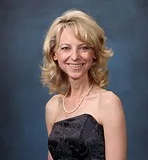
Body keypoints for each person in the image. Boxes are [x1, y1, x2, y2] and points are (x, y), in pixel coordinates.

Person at [41, 9, 127, 160]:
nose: (74, 56)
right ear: (55, 54)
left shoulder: (108, 102)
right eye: (65, 48)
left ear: (94, 54)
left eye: (84, 47)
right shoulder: (52, 107)